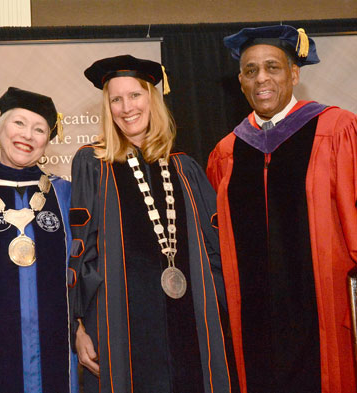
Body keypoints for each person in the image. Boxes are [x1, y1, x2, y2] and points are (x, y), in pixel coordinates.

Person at [69, 54, 237, 393]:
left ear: (152, 99)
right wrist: (78, 325)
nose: (126, 107)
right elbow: (80, 249)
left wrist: (222, 309)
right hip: (120, 322)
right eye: (116, 99)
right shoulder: (93, 162)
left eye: (135, 95)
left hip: (188, 319)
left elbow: (215, 247)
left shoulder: (184, 167)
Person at [206, 25, 357, 393]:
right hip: (253, 316)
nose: (262, 78)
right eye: (251, 70)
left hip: (322, 307)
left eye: (272, 67)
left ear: (294, 73)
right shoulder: (227, 152)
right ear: (240, 81)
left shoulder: (336, 129)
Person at [0, 87, 78, 393]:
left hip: (58, 352)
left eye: (39, 129)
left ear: (47, 141)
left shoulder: (65, 194)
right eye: (19, 124)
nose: (28, 135)